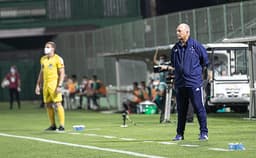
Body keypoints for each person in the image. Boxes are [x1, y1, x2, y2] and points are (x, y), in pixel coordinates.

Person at [161, 23, 209, 141]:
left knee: (199, 107)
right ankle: (179, 134)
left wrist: (198, 75)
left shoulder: (196, 46)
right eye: (177, 31)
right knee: (181, 110)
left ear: (187, 32)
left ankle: (204, 132)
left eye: (179, 31)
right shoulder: (175, 48)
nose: (177, 33)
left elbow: (205, 61)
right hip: (180, 84)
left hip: (194, 83)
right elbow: (174, 65)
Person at [35, 41, 66, 131]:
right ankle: (53, 125)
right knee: (48, 104)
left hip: (54, 83)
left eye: (48, 47)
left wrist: (59, 85)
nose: (46, 48)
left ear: (53, 48)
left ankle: (62, 125)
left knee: (58, 103)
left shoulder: (58, 59)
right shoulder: (43, 59)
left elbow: (62, 73)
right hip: (45, 84)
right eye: (45, 47)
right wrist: (38, 85)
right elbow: (41, 72)